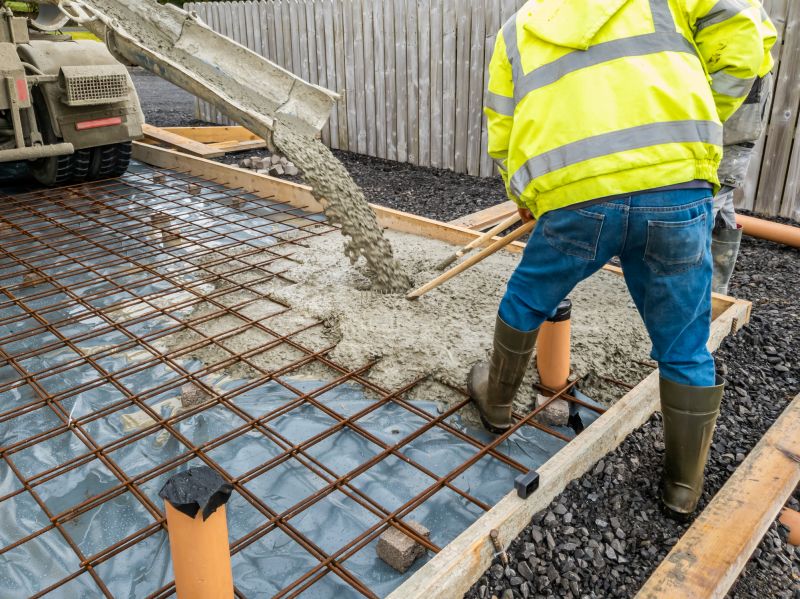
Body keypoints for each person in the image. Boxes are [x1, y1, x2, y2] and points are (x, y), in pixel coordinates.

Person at [469, 0, 774, 515]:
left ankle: (496, 403)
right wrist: (695, 121)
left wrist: (525, 194)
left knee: (528, 296)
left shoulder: (517, 29)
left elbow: (502, 127)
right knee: (684, 342)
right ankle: (682, 489)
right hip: (675, 189)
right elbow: (743, 38)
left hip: (576, 199)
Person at [712, 8, 776, 293]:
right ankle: (714, 292)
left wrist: (700, 122)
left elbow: (740, 58)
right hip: (733, 75)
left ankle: (701, 296)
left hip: (737, 82)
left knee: (709, 190)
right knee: (720, 190)